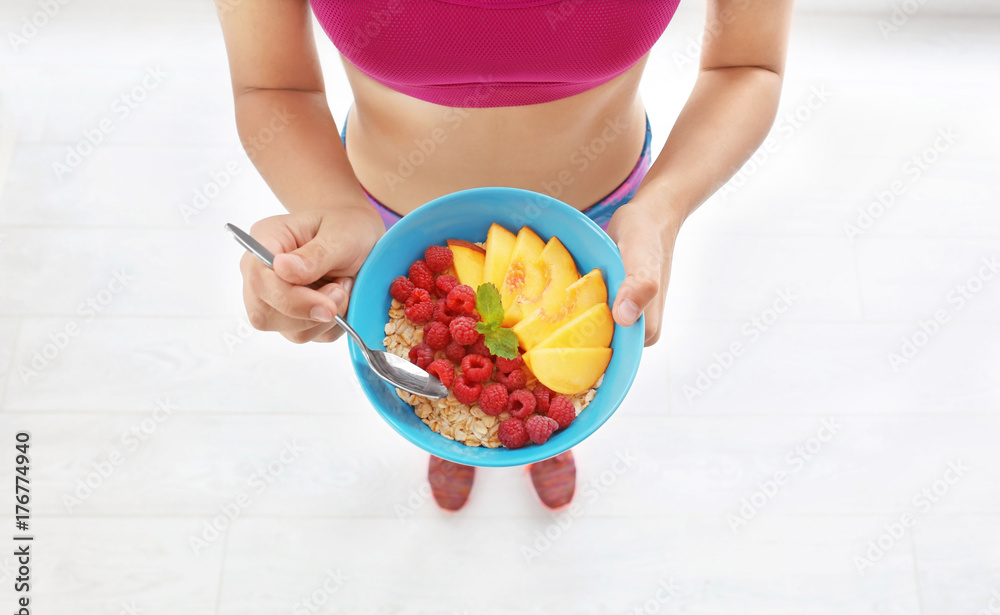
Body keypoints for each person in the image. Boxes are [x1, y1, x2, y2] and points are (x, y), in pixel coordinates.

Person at [216, 0, 794, 511]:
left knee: (552, 377)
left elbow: (746, 66)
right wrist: (330, 207)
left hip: (603, 222)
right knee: (439, 379)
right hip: (384, 232)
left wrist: (661, 210)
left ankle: (534, 424)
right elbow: (273, 86)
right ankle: (466, 431)